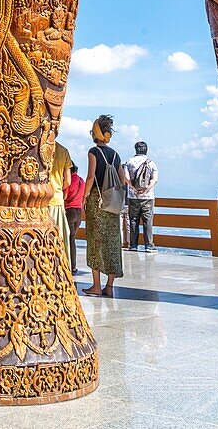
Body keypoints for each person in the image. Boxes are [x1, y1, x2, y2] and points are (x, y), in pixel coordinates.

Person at [82, 114, 126, 297]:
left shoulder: (93, 152)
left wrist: (84, 197)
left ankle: (96, 286)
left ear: (96, 133)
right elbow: (122, 180)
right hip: (112, 202)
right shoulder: (116, 154)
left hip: (96, 200)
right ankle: (109, 286)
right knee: (112, 242)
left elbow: (91, 176)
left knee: (95, 241)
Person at [125, 140, 158, 252]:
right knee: (147, 220)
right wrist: (146, 189)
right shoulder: (151, 163)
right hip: (148, 197)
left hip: (133, 196)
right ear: (146, 150)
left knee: (133, 220)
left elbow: (126, 178)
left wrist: (134, 189)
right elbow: (154, 179)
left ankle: (133, 245)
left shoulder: (129, 162)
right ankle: (149, 245)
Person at [50, 140, 72, 265]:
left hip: (39, 199)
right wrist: (58, 188)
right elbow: (68, 181)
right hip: (56, 199)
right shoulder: (63, 151)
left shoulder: (38, 146)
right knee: (60, 237)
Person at [64, 162, 85, 274]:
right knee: (73, 239)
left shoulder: (69, 180)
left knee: (68, 239)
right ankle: (73, 266)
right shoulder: (82, 180)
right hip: (79, 212)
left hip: (69, 211)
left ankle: (69, 265)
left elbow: (65, 196)